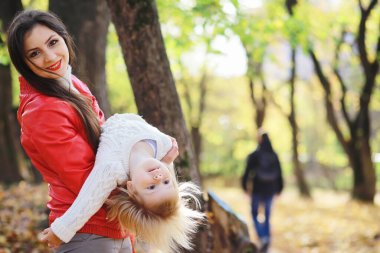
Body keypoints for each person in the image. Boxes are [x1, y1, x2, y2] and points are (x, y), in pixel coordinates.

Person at [7, 9, 171, 253]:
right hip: (88, 233)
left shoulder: (73, 86)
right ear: (24, 64)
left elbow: (110, 149)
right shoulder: (43, 111)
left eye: (53, 42)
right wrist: (150, 172)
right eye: (35, 53)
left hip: (111, 225)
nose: (50, 56)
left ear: (64, 38)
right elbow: (87, 178)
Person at [41, 113, 205, 253]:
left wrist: (61, 231)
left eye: (151, 187)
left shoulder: (113, 168)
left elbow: (89, 200)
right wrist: (166, 159)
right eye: (167, 181)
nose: (158, 178)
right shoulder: (166, 147)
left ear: (131, 188)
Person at [241, 130, 283, 253]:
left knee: (254, 213)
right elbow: (280, 173)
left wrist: (244, 187)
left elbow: (247, 172)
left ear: (259, 140)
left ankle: (262, 237)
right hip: (270, 189)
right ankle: (267, 238)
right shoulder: (274, 155)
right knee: (267, 215)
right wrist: (280, 189)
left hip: (257, 189)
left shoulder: (254, 155)